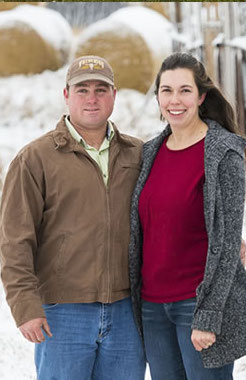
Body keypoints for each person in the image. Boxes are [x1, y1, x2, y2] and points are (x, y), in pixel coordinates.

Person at [0, 55, 147, 378]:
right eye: (82, 90)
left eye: (100, 89)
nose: (92, 99)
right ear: (66, 95)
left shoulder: (139, 154)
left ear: (114, 95)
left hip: (126, 312)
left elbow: (174, 210)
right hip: (62, 313)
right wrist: (25, 307)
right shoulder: (35, 159)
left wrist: (227, 237)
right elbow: (14, 241)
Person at [128, 52, 246, 379]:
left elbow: (228, 243)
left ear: (201, 96)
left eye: (185, 90)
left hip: (198, 304)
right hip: (152, 306)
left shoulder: (223, 153)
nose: (175, 100)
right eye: (167, 91)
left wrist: (208, 315)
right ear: (158, 97)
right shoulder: (149, 153)